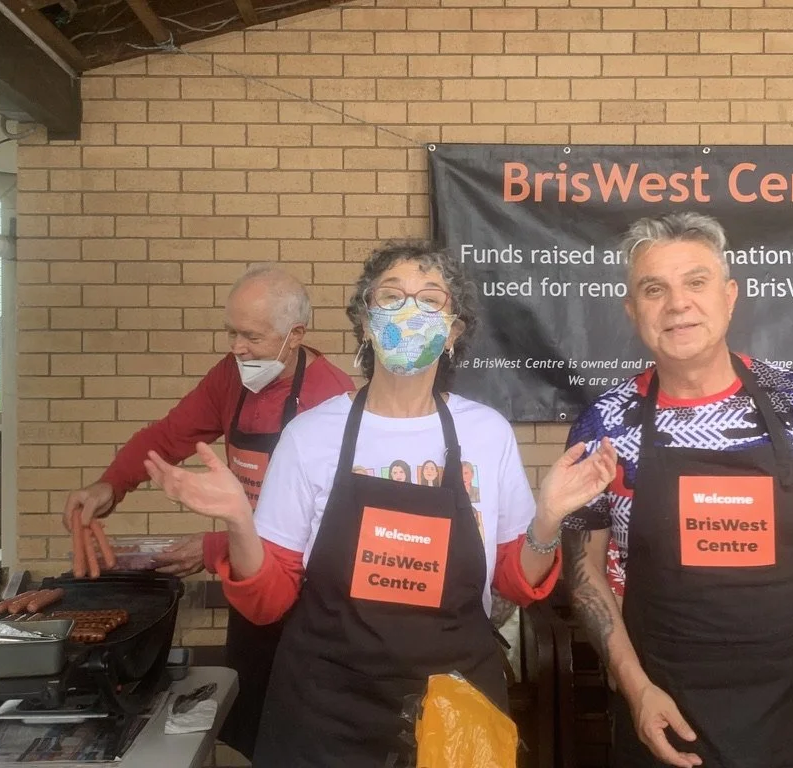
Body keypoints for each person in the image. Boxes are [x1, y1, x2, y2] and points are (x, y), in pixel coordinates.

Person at [142, 240, 618, 767]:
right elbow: (268, 601)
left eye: (430, 300)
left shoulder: (487, 434)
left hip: (454, 706)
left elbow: (512, 579)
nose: (410, 312)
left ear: (453, 332)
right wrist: (239, 522)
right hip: (326, 710)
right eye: (391, 297)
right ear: (366, 323)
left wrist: (547, 520)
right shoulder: (310, 435)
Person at [560, 212, 793, 768]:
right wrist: (636, 690)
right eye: (654, 289)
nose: (677, 304)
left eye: (696, 282)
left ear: (729, 297)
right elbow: (583, 570)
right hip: (664, 718)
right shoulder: (605, 426)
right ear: (632, 311)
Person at [60, 264, 354, 760]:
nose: (237, 348)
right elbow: (169, 435)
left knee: (300, 729)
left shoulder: (332, 399)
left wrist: (214, 546)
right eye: (231, 332)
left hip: (311, 600)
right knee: (249, 715)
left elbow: (330, 531)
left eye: (252, 337)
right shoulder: (229, 378)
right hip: (249, 579)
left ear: (296, 335)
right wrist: (111, 484)